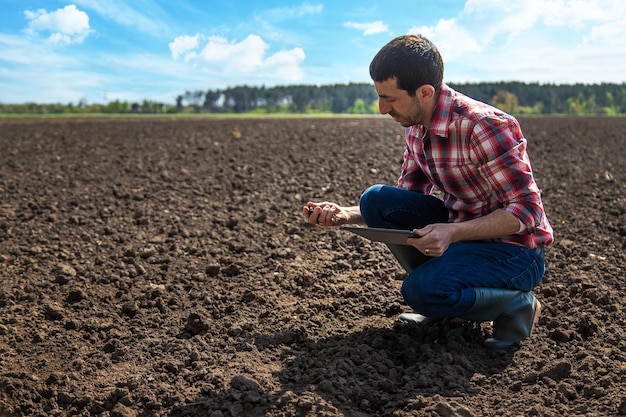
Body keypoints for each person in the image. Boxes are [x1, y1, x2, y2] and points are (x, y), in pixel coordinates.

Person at [303, 34, 554, 350]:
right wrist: (344, 215)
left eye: (390, 99)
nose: (382, 109)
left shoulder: (483, 126)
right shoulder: (415, 126)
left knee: (420, 291)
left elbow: (527, 211)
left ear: (424, 92)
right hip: (463, 234)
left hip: (514, 251)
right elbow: (406, 198)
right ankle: (449, 299)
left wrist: (452, 232)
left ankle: (515, 304)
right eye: (379, 96)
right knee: (376, 200)